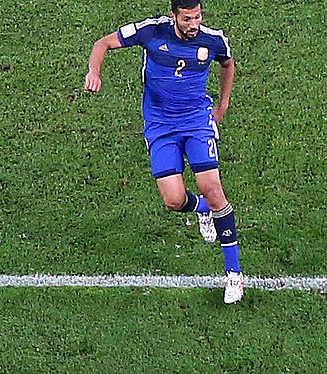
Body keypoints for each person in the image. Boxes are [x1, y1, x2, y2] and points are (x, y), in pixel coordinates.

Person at [84, 0, 246, 304]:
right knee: (173, 200)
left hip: (196, 121)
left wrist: (222, 105)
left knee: (212, 189)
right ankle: (202, 211)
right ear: (174, 16)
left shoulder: (213, 39)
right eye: (187, 19)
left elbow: (228, 64)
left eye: (197, 17)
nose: (193, 24)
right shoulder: (151, 31)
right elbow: (103, 43)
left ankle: (234, 274)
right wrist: (95, 72)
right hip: (160, 125)